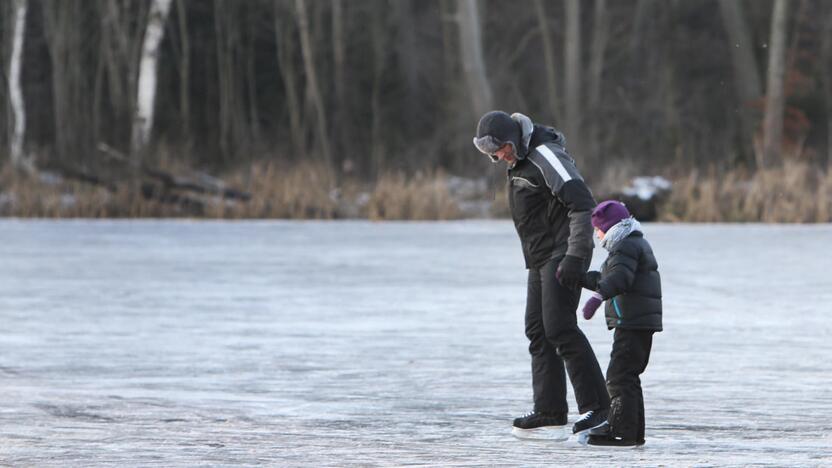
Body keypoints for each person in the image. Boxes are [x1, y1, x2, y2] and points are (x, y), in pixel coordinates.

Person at [473, 111, 610, 438]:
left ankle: (600, 407)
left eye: (502, 149)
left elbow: (582, 203)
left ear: (514, 139)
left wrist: (576, 256)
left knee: (559, 326)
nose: (499, 157)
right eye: (493, 153)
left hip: (564, 251)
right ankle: (550, 410)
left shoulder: (545, 154)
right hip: (540, 256)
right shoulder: (518, 160)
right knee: (537, 329)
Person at [579, 200, 663, 447]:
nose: (596, 234)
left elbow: (619, 279)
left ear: (610, 227)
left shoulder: (626, 246)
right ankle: (632, 433)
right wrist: (579, 279)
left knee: (619, 377)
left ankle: (620, 432)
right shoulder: (631, 244)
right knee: (628, 376)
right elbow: (609, 277)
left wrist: (596, 298)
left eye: (598, 229)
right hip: (637, 321)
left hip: (633, 322)